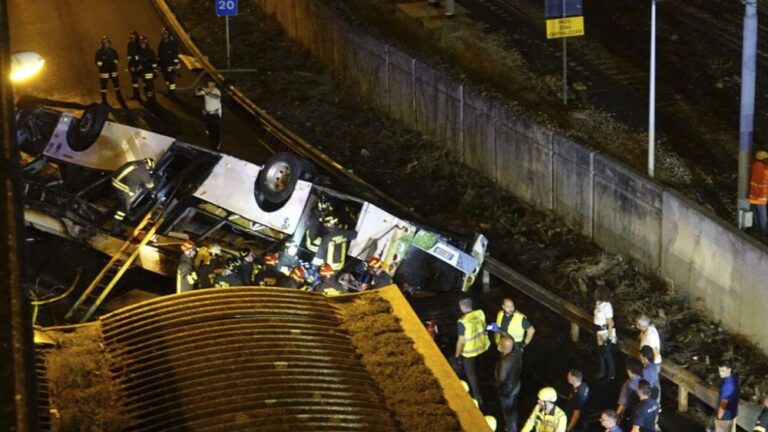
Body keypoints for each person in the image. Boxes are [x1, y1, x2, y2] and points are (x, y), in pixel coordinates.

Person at [454, 297, 490, 406]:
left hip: (469, 353)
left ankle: (477, 398)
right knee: (479, 370)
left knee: (471, 375)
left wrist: (457, 355)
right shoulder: (480, 313)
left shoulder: (462, 322)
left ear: (462, 307)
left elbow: (460, 341)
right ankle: (485, 385)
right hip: (482, 347)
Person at [110, 158, 156, 232]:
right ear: (148, 166)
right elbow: (149, 184)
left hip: (115, 180)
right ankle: (115, 227)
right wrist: (153, 191)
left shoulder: (135, 163)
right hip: (122, 186)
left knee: (123, 201)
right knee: (125, 207)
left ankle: (118, 222)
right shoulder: (143, 169)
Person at [496, 336, 523, 432]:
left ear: (503, 347)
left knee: (508, 413)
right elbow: (512, 340)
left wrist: (496, 385)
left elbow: (501, 379)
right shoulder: (517, 352)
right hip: (516, 385)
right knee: (514, 408)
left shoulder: (505, 362)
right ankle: (514, 423)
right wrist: (499, 330)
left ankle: (512, 429)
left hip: (507, 390)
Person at [594, 285, 616, 381]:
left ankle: (611, 374)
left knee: (606, 352)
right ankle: (602, 371)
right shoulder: (599, 303)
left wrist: (610, 337)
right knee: (601, 352)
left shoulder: (607, 306)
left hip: (604, 330)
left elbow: (610, 322)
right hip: (598, 329)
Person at [95, 36, 124, 104]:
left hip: (113, 71)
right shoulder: (99, 52)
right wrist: (101, 64)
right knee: (103, 87)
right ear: (103, 43)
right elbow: (96, 61)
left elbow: (117, 58)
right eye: (105, 42)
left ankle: (119, 96)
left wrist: (115, 61)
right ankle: (104, 99)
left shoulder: (113, 51)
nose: (107, 43)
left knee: (117, 85)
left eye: (108, 42)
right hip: (104, 72)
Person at [195, 79, 222, 150]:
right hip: (207, 114)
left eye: (211, 84)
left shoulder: (217, 91)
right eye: (208, 84)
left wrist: (207, 92)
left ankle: (217, 145)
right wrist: (198, 88)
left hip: (214, 114)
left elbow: (216, 97)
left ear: (214, 85)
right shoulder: (206, 90)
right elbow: (197, 94)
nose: (209, 85)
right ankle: (212, 143)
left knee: (215, 130)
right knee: (209, 130)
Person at [616, 357, 643, 425]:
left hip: (632, 412)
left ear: (629, 371)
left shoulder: (628, 385)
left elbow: (622, 405)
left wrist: (615, 420)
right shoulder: (644, 380)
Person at [716, 361, 740, 432]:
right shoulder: (734, 379)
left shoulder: (727, 386)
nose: (720, 373)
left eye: (723, 371)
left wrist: (719, 417)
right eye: (719, 370)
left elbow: (724, 403)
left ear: (729, 370)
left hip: (725, 417)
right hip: (733, 413)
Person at [157, 28, 180, 100]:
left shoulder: (172, 43)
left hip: (170, 65)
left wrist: (174, 65)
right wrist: (159, 63)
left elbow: (175, 54)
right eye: (163, 34)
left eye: (165, 34)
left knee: (170, 79)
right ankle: (169, 91)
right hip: (164, 64)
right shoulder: (162, 42)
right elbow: (159, 53)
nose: (164, 35)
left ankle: (173, 93)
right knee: (166, 79)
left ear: (168, 34)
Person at [750, 150, 768, 234]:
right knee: (762, 216)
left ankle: (756, 229)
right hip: (761, 196)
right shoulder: (765, 169)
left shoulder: (754, 166)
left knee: (755, 214)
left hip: (752, 195)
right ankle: (764, 232)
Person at [137, 36, 158, 104]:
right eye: (141, 44)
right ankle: (149, 97)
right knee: (145, 85)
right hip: (143, 72)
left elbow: (154, 61)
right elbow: (139, 62)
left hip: (149, 71)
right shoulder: (140, 52)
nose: (142, 45)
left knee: (149, 86)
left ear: (146, 44)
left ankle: (151, 99)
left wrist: (154, 70)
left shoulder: (150, 51)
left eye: (143, 44)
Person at [126, 31, 142, 100]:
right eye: (131, 37)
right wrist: (130, 66)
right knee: (134, 80)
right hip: (132, 64)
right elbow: (129, 55)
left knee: (144, 80)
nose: (132, 38)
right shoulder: (130, 44)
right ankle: (136, 94)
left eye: (133, 36)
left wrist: (139, 64)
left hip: (138, 64)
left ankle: (148, 94)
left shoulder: (138, 44)